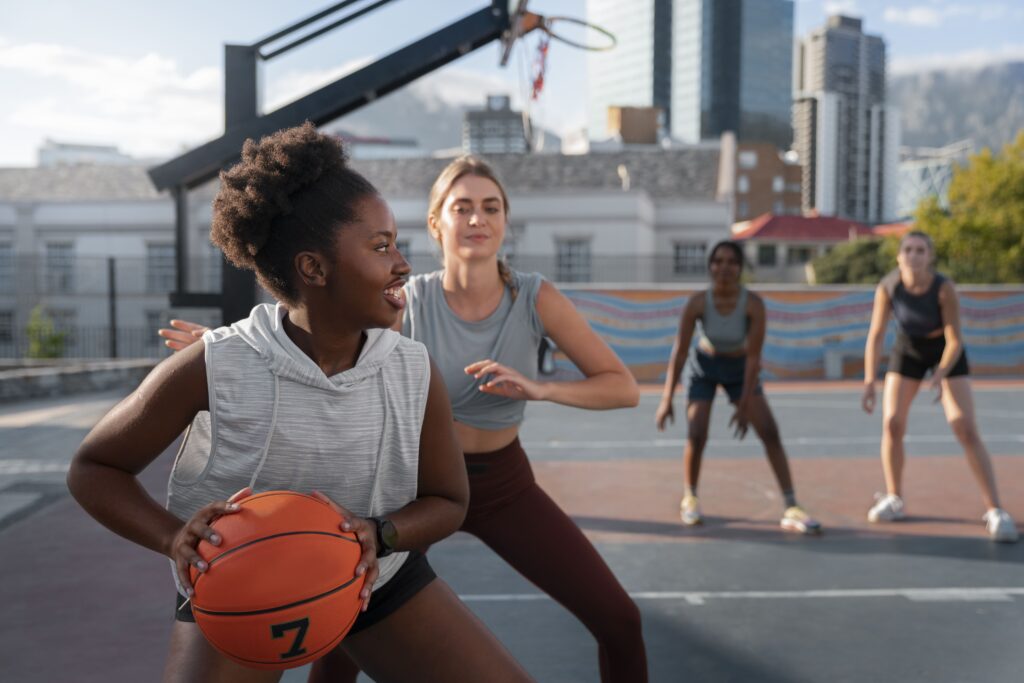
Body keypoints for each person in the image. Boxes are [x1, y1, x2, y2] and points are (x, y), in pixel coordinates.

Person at [69, 123, 535, 683]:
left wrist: (378, 534)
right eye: (380, 246)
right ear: (313, 268)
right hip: (238, 583)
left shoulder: (413, 369)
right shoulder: (217, 363)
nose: (403, 264)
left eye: (397, 244)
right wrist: (173, 539)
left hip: (373, 578)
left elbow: (448, 501)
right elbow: (93, 468)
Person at [162, 155, 649, 683]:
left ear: (506, 220)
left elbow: (621, 387)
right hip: (409, 484)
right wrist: (229, 347)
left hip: (501, 482)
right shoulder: (401, 299)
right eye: (462, 207)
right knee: (346, 614)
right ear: (437, 223)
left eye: (491, 207)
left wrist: (539, 387)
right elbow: (318, 320)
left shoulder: (533, 297)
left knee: (619, 618)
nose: (477, 219)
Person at [654, 240, 822, 535]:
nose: (724, 267)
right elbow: (679, 352)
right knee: (697, 431)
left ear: (741, 268)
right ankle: (690, 497)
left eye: (732, 261)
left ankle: (791, 504)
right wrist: (666, 398)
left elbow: (754, 357)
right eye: (718, 261)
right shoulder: (696, 302)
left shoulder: (753, 304)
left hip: (740, 368)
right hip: (703, 367)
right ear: (710, 267)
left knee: (769, 431)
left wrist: (744, 404)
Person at [861, 230, 1018, 542]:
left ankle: (995, 509)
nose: (914, 255)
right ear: (899, 255)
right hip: (908, 350)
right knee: (892, 424)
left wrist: (940, 374)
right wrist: (868, 380)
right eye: (908, 249)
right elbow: (876, 335)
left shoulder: (943, 288)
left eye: (920, 250)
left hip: (945, 352)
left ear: (929, 256)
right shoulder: (888, 287)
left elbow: (955, 338)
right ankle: (894, 498)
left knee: (964, 426)